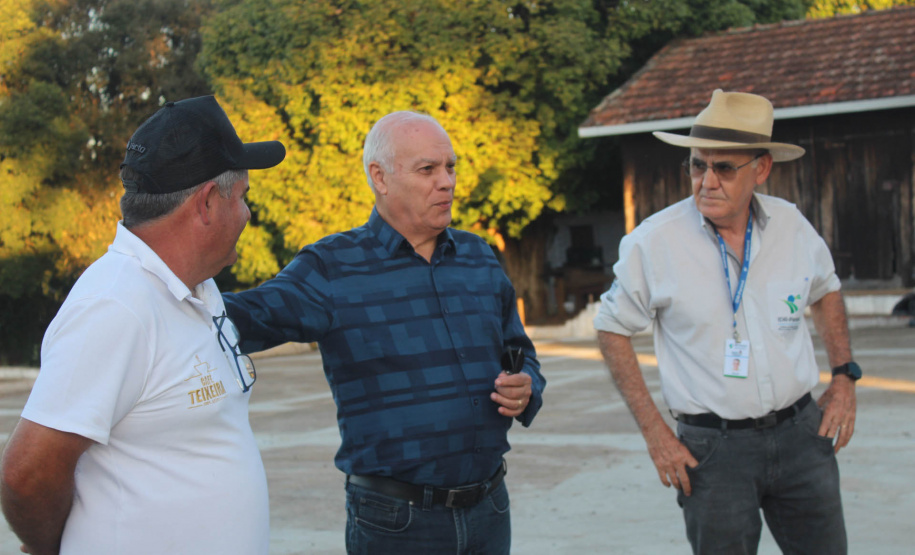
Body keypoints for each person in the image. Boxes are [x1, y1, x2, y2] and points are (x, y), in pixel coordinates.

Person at [222, 110, 545, 554]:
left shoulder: (479, 259)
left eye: (450, 167)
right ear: (380, 177)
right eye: (427, 169)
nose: (447, 181)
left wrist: (527, 387)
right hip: (397, 523)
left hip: (490, 510)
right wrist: (154, 288)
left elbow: (520, 351)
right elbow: (241, 317)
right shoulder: (333, 268)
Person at [0, 96, 285, 554]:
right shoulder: (116, 305)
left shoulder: (194, 289)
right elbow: (27, 473)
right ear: (208, 202)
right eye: (244, 197)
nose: (248, 214)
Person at [594, 90, 859, 554]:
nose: (706, 182)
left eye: (724, 168)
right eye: (698, 165)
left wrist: (844, 375)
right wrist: (656, 433)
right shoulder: (654, 243)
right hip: (713, 452)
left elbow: (826, 289)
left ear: (761, 168)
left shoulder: (791, 225)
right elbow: (611, 328)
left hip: (802, 435)